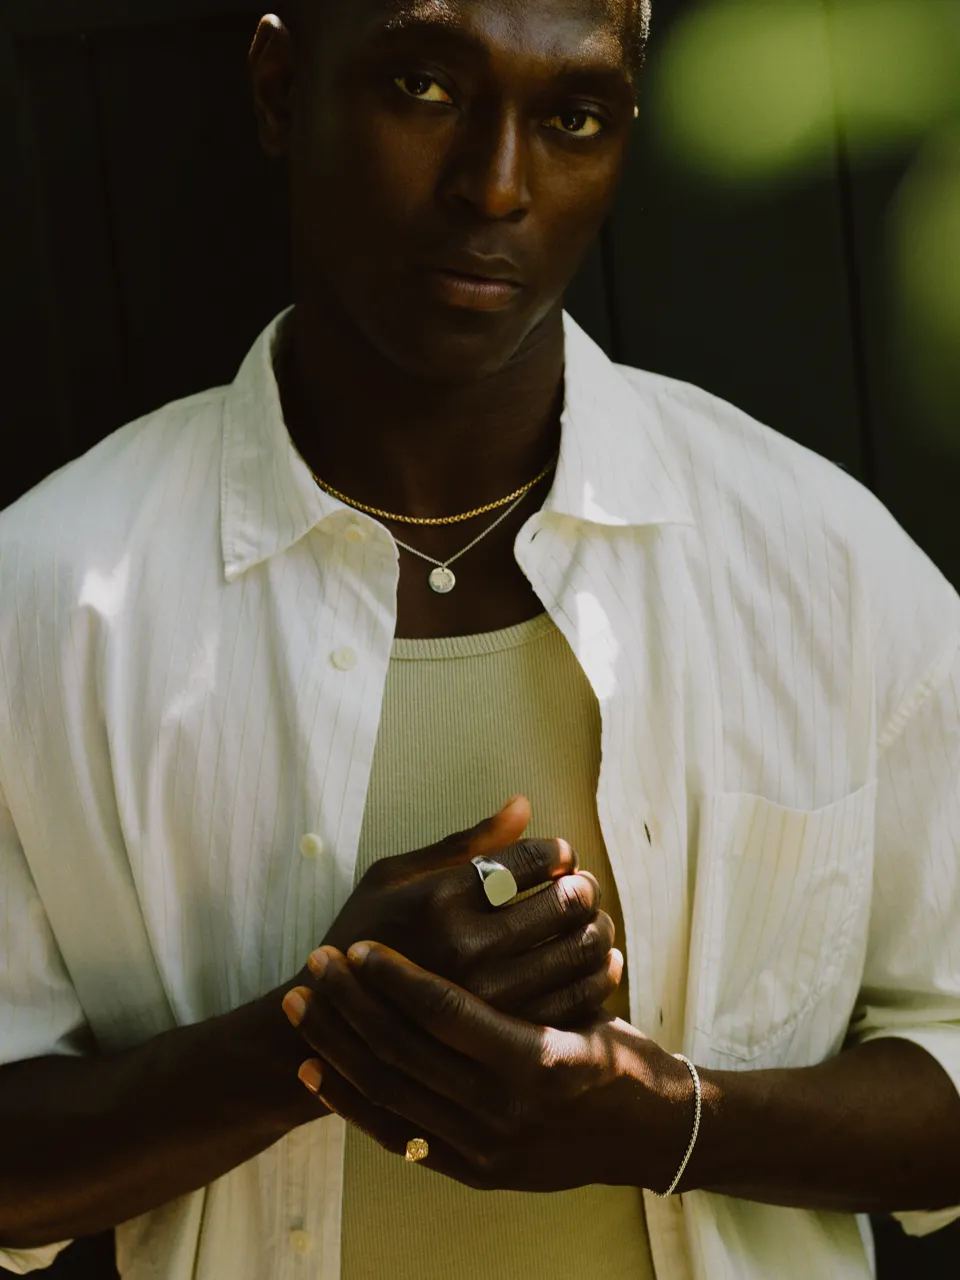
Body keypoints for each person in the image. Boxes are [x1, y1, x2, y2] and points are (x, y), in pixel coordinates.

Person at [0, 1, 959, 1276]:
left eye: (572, 118)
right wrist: (319, 1036)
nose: (497, 186)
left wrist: (658, 1121)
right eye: (424, 88)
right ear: (282, 89)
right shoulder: (51, 597)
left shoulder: (820, 566)